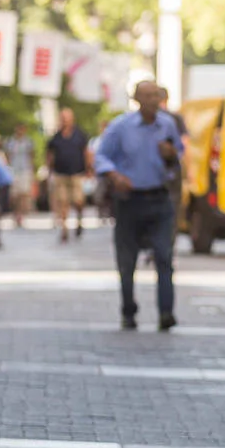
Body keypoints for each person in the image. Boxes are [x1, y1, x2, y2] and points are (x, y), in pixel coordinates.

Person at [95, 80, 184, 332]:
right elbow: (101, 156)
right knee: (127, 260)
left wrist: (171, 155)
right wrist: (114, 175)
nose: (153, 100)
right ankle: (128, 311)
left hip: (159, 199)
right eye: (147, 95)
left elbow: (178, 155)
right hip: (129, 201)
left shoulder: (167, 125)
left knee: (164, 257)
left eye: (156, 95)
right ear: (136, 99)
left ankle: (166, 312)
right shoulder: (121, 127)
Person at [47, 108, 90, 242]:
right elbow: (50, 154)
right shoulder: (56, 137)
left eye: (67, 117)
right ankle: (64, 228)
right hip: (60, 174)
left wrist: (89, 169)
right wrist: (50, 170)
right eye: (62, 117)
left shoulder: (80, 135)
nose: (65, 120)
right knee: (63, 201)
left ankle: (79, 220)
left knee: (78, 200)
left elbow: (86, 152)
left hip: (77, 173)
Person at [4, 123, 36, 227]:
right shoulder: (10, 142)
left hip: (25, 169)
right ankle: (15, 213)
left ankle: (21, 215)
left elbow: (31, 156)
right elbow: (7, 155)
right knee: (14, 195)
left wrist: (32, 170)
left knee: (23, 194)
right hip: (13, 170)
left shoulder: (28, 142)